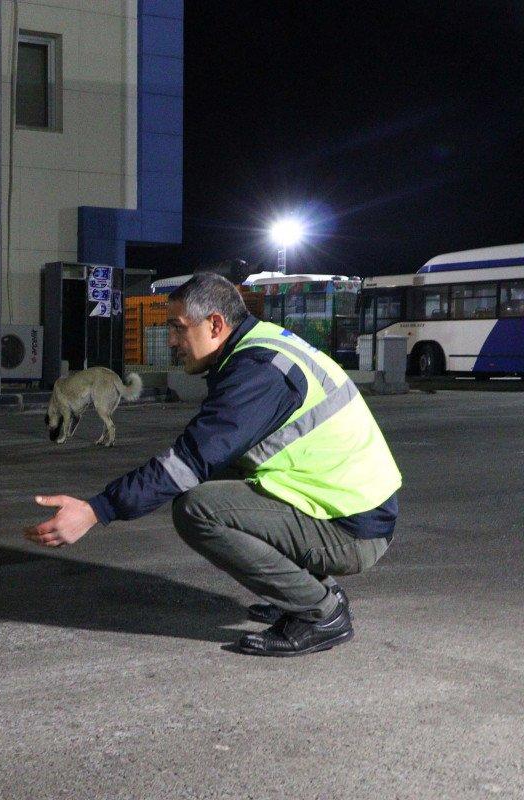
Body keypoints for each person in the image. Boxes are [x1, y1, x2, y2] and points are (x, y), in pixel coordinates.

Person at [24, 273, 401, 657]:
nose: (171, 342)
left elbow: (188, 461)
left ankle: (320, 612)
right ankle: (302, 590)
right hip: (346, 508)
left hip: (352, 531)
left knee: (197, 509)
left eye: (177, 328)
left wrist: (96, 510)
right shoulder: (260, 346)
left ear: (216, 324)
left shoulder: (259, 373)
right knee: (217, 475)